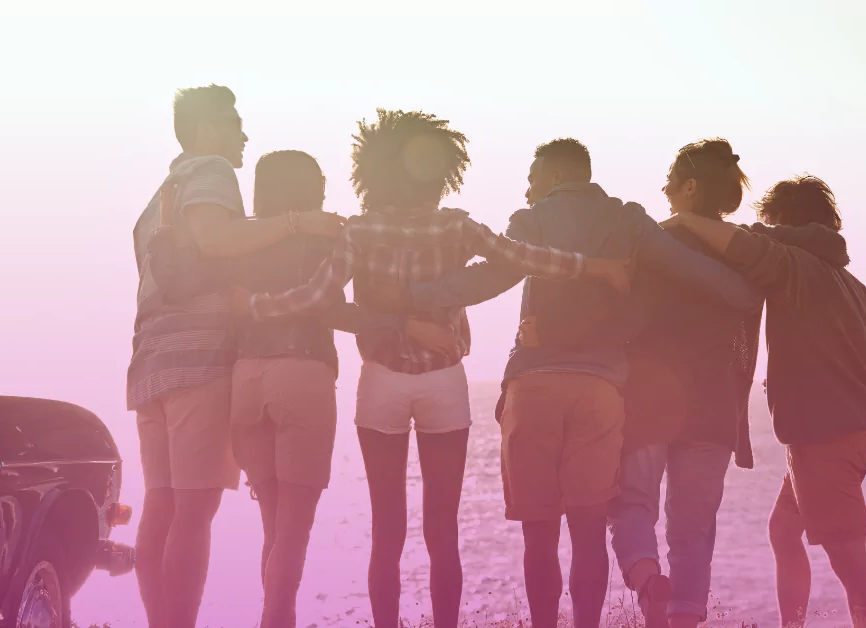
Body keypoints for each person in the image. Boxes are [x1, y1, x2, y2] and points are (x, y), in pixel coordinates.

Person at [235, 110, 630, 628]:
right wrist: (595, 266)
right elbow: (526, 257)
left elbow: (317, 299)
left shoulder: (359, 230)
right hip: (444, 381)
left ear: (370, 171)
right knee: (443, 529)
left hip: (381, 383)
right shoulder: (456, 225)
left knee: (387, 531)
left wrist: (254, 306)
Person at [403, 138, 761, 628]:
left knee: (541, 533)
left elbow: (488, 279)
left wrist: (414, 297)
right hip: (603, 389)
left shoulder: (531, 219)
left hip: (536, 381)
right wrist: (740, 289)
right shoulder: (631, 221)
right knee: (594, 531)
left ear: (553, 176)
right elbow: (705, 276)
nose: (528, 188)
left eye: (532, 177)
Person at [148, 149, 455, 628]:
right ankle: (275, 619)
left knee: (273, 526)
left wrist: (167, 225)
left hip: (247, 381)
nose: (326, 192)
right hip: (303, 375)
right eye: (319, 183)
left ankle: (274, 617)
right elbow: (333, 310)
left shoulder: (239, 241)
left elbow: (175, 280)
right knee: (293, 531)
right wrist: (405, 325)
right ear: (307, 190)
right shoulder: (322, 242)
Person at [127, 85, 342, 628]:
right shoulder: (212, 171)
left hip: (150, 363)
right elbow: (216, 239)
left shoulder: (158, 198)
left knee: (161, 507)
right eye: (234, 124)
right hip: (198, 357)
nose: (243, 135)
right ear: (206, 132)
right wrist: (297, 224)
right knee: (195, 515)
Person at [663, 174, 866, 627]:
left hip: (825, 435)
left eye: (771, 221)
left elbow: (744, 246)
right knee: (784, 531)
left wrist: (682, 220)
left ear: (785, 223)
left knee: (848, 558)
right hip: (845, 432)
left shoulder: (793, 265)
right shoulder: (853, 286)